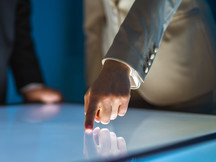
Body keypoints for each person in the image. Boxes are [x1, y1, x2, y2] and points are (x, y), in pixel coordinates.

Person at [83, 0, 216, 130]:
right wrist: (96, 82)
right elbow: (94, 21)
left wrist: (117, 64)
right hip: (116, 74)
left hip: (179, 71)